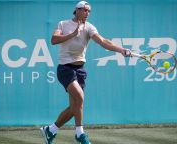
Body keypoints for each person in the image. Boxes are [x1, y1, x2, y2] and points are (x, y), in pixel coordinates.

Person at [40, 1, 131, 144]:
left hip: (80, 70)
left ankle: (50, 130)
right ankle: (79, 134)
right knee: (80, 98)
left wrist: (121, 50)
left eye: (89, 11)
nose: (88, 13)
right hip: (65, 68)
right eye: (85, 10)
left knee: (74, 107)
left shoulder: (89, 27)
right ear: (77, 10)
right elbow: (53, 40)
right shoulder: (63, 24)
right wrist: (73, 33)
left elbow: (103, 41)